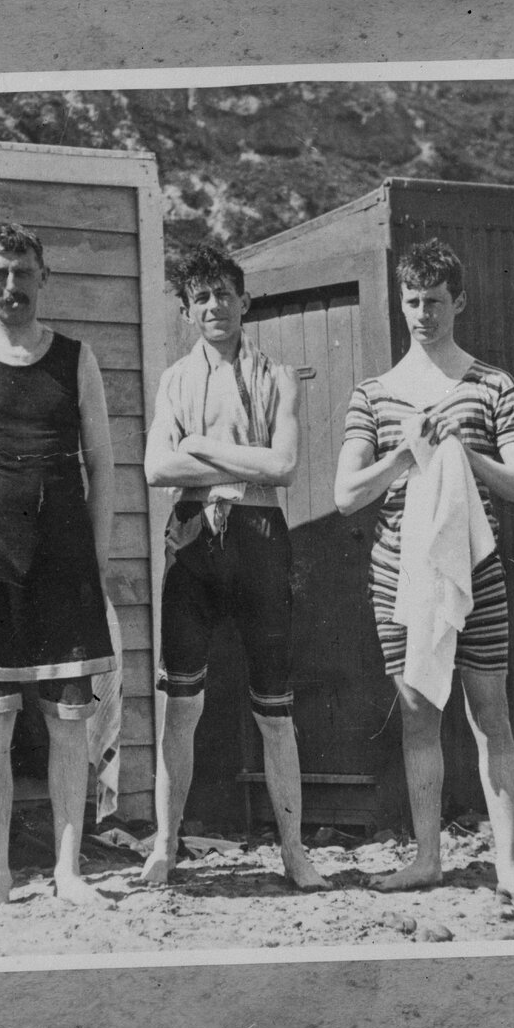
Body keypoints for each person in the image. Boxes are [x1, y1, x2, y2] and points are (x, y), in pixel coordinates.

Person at [335, 239, 514, 901]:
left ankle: (508, 864)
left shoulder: (493, 385)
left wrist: (465, 453)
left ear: (460, 302)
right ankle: (428, 856)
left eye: (435, 301)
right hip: (400, 574)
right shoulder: (374, 394)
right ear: (400, 303)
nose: (423, 314)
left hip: (476, 570)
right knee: (419, 714)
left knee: (490, 712)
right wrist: (404, 455)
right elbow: (346, 494)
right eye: (413, 301)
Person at [0, 220, 117, 911]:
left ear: (44, 277)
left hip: (64, 563)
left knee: (68, 720)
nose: (13, 286)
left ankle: (68, 870)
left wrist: (93, 559)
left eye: (24, 273)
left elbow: (102, 465)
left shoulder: (75, 358)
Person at [140, 242, 330, 891]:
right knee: (181, 705)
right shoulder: (175, 379)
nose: (214, 306)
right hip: (193, 538)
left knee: (274, 710)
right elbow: (157, 468)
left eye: (224, 293)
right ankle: (164, 846)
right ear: (187, 311)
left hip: (258, 535)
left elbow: (284, 466)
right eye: (201, 298)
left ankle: (294, 851)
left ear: (244, 301)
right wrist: (235, 459)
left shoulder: (276, 376)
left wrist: (197, 446)